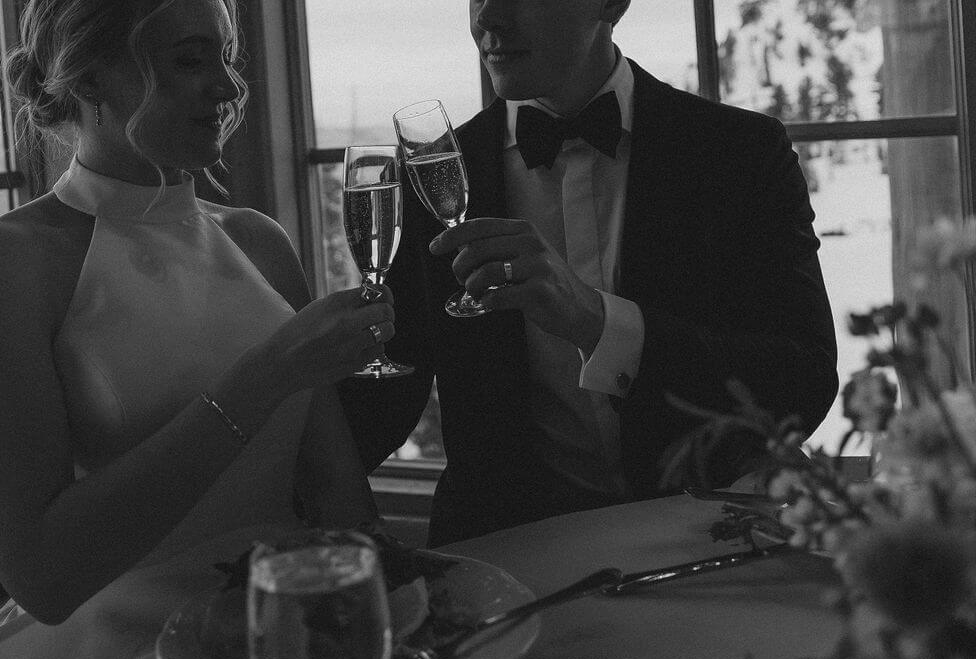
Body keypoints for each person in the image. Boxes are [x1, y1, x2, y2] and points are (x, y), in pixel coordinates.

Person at [0, 0, 393, 659]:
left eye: (227, 57)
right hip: (118, 648)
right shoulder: (0, 264)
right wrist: (270, 371)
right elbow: (42, 578)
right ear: (91, 78)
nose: (229, 86)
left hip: (281, 633)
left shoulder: (259, 242)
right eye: (191, 60)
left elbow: (340, 502)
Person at [339, 0, 838, 547]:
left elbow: (803, 381)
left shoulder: (740, 153)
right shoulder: (436, 178)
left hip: (711, 546)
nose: (488, 18)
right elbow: (383, 398)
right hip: (512, 564)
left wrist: (596, 322)